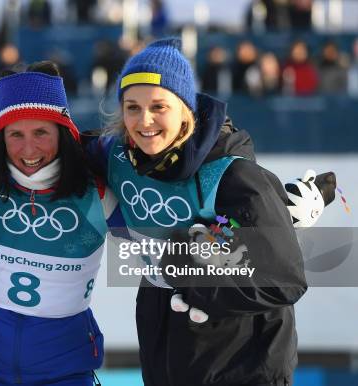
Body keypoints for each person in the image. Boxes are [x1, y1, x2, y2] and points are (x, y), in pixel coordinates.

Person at [86, 38, 306, 386]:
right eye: (132, 107)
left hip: (243, 362)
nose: (144, 121)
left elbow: (285, 281)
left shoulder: (234, 174)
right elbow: (52, 149)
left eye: (159, 106)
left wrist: (194, 279)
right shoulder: (116, 155)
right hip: (166, 351)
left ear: (185, 109)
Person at [0, 61, 117, 385]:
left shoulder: (97, 188)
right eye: (16, 134)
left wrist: (230, 245)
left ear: (63, 132)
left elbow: (161, 244)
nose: (28, 149)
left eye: (41, 132)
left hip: (64, 370)